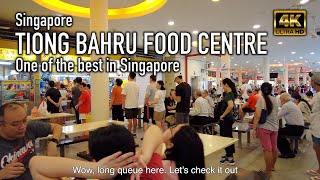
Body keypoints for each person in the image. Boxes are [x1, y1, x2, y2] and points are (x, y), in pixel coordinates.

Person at [29, 124, 205, 180]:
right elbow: (154, 131)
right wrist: (144, 156)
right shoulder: (150, 171)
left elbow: (36, 164)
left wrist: (95, 171)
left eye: (172, 129)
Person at [0, 102, 62, 180]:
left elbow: (57, 127)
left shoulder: (29, 127)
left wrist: (53, 142)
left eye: (24, 120)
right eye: (15, 124)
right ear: (1, 125)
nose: (23, 127)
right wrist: (1, 174)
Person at [252, 82, 278, 176]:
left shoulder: (261, 99)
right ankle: (272, 167)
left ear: (261, 90)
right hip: (274, 127)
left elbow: (257, 115)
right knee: (274, 149)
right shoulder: (274, 99)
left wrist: (254, 129)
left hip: (264, 128)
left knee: (267, 149)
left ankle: (267, 171)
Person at [277, 93, 304, 158]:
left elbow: (277, 116)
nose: (280, 101)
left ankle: (287, 152)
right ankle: (288, 150)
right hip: (298, 128)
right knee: (280, 132)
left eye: (280, 99)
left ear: (283, 99)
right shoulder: (291, 104)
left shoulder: (286, 105)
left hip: (295, 129)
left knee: (276, 133)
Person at [219, 78, 237, 165]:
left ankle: (230, 157)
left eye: (222, 85)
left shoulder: (229, 95)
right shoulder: (230, 94)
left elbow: (230, 106)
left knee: (227, 137)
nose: (222, 87)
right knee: (226, 136)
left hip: (226, 119)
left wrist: (223, 115)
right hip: (227, 118)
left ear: (226, 84)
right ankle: (228, 154)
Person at [306, 73, 320, 180]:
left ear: (314, 82)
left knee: (317, 148)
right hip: (316, 127)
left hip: (319, 128)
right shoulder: (317, 94)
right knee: (316, 147)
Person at [122, 72, 139, 137]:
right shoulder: (137, 85)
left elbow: (123, 96)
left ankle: (129, 134)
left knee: (129, 120)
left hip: (128, 105)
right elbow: (137, 94)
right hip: (135, 104)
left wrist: (123, 105)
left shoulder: (126, 85)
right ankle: (134, 133)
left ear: (129, 76)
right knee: (135, 119)